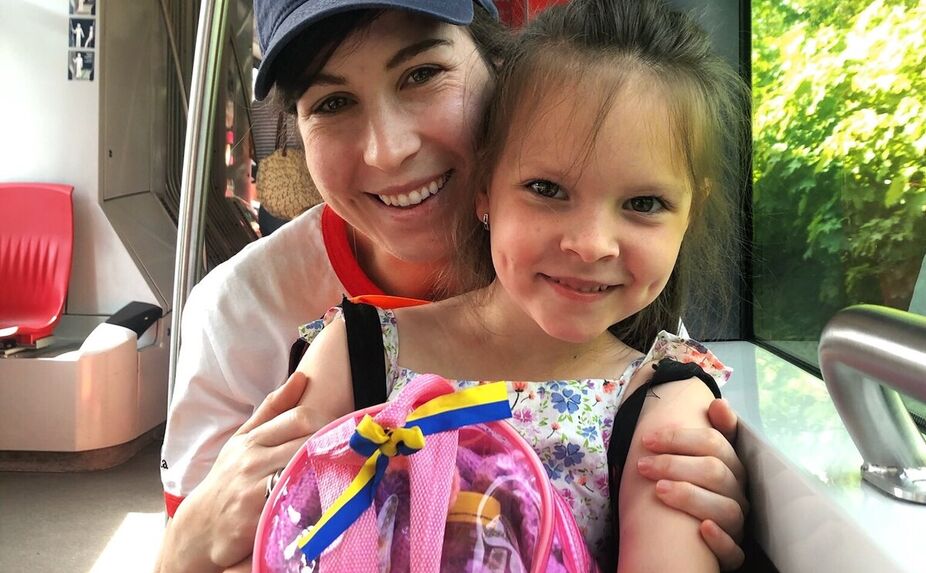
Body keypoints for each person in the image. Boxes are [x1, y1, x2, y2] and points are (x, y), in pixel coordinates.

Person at [156, 2, 748, 571]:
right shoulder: (314, 335)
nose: (389, 151)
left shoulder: (653, 378)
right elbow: (258, 546)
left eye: (421, 73)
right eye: (333, 101)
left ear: (494, 67)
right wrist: (188, 541)